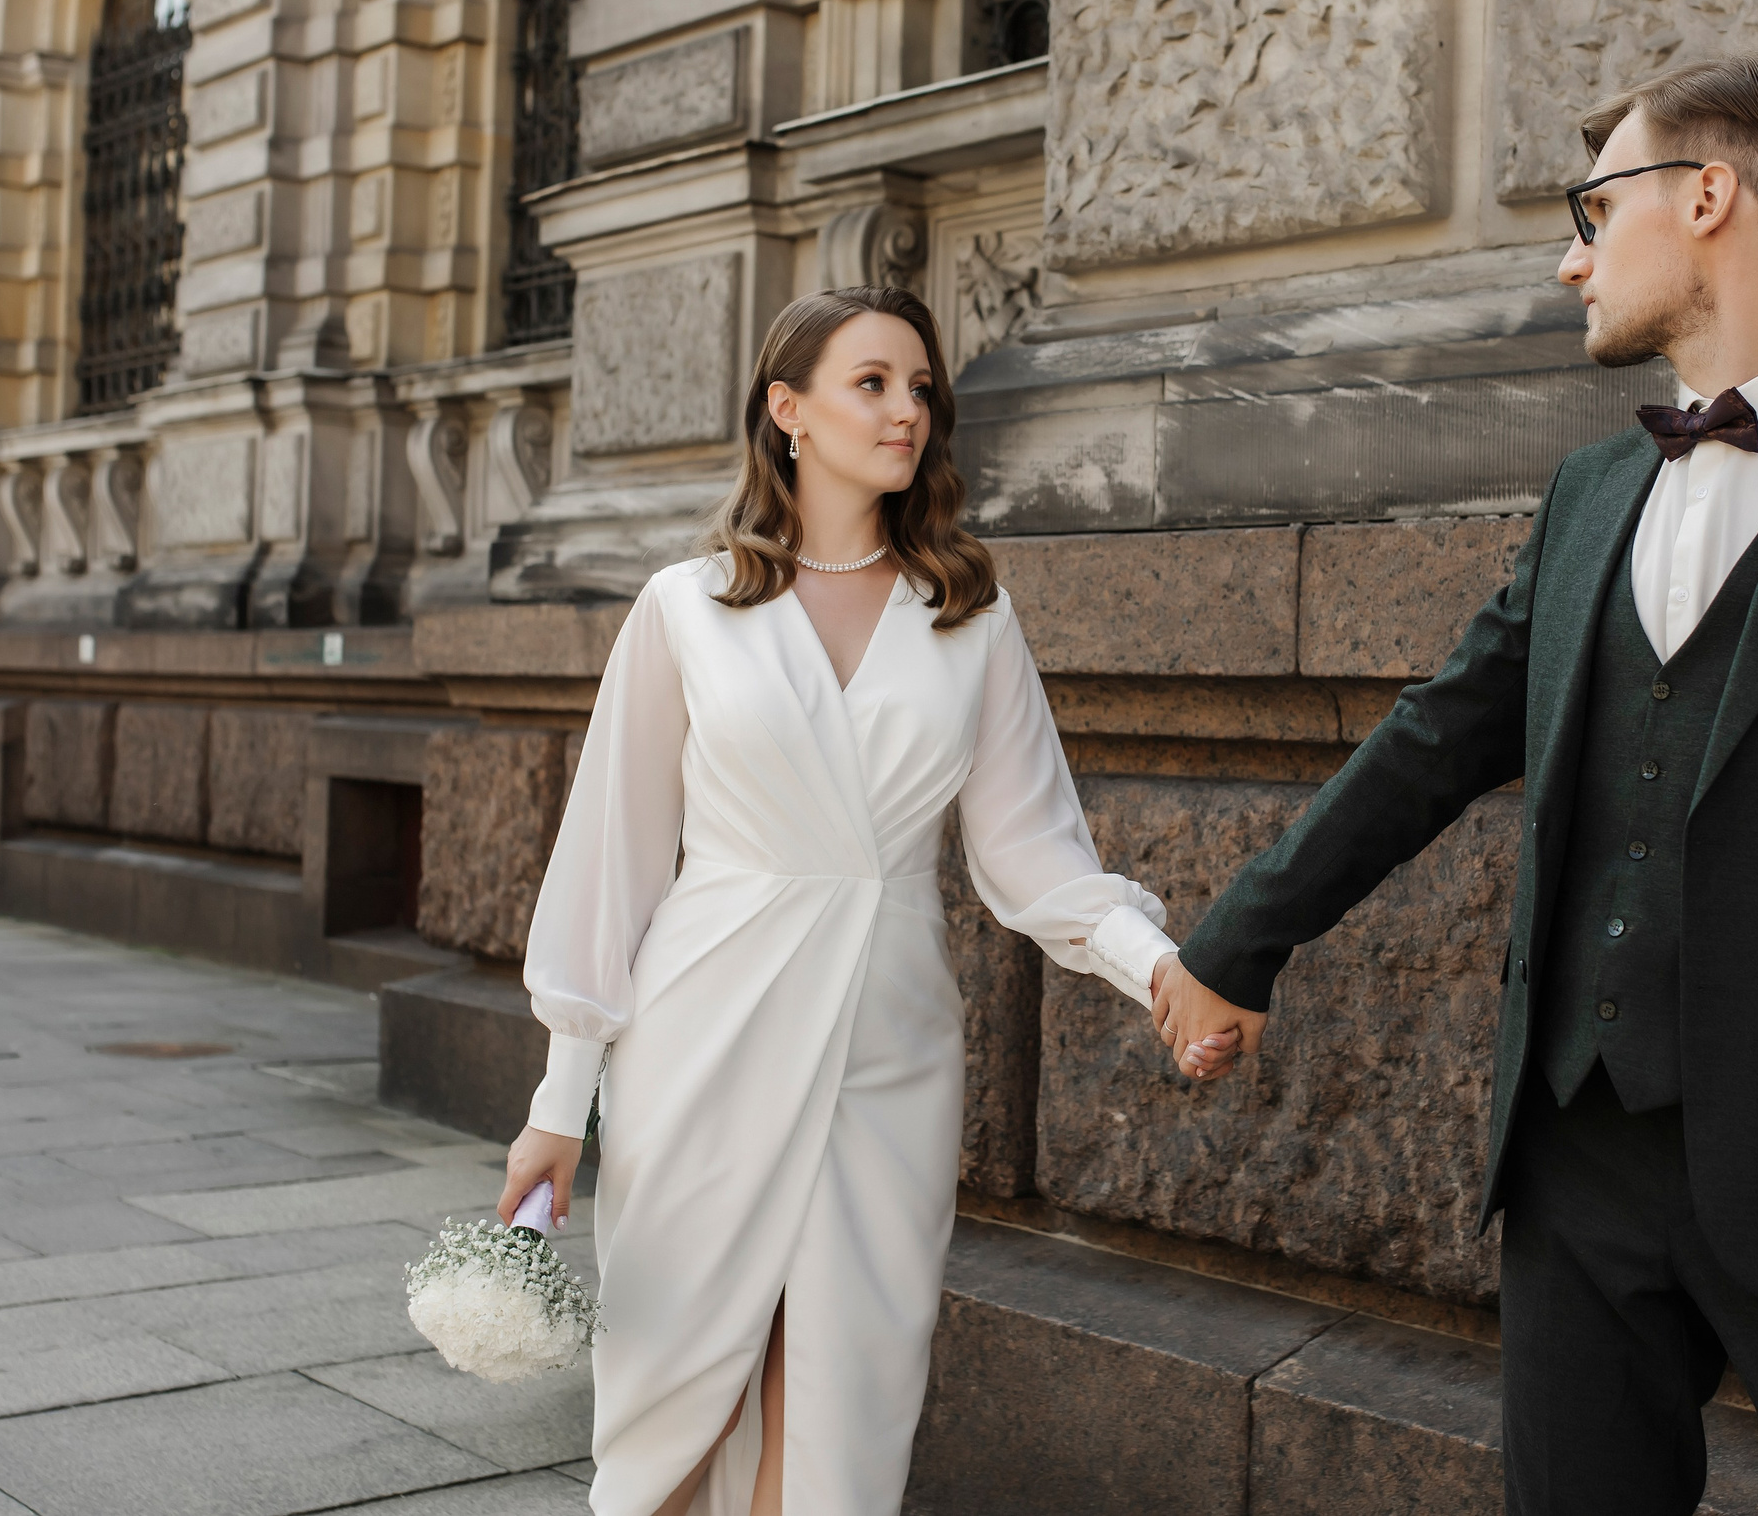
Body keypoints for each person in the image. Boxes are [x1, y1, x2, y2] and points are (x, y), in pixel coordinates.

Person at [1151, 56, 1758, 1515]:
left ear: (1709, 196)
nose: (1569, 254)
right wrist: (1238, 940)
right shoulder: (1591, 491)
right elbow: (1437, 737)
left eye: (1597, 209)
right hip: (1576, 1154)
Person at [498, 285, 1228, 1516]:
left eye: (921, 387)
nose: (907, 412)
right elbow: (608, 864)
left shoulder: (967, 615)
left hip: (886, 1049)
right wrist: (561, 1102)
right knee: (672, 1394)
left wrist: (1155, 964)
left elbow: (1033, 855)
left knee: (842, 1401)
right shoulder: (685, 607)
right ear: (788, 410)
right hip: (702, 1035)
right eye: (872, 384)